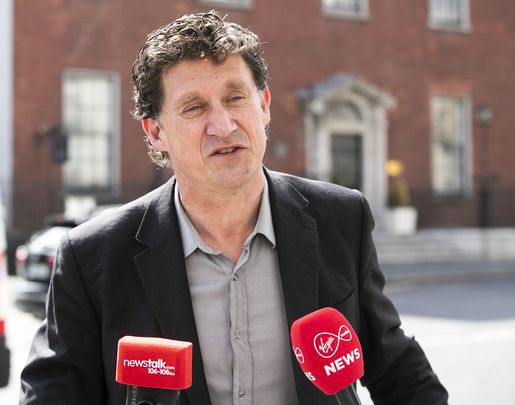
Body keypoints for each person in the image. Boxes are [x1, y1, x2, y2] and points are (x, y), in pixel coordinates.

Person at [20, 11, 448, 405]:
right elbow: (53, 394)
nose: (223, 125)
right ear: (155, 133)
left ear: (262, 107)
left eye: (236, 98)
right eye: (195, 107)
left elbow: (399, 372)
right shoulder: (93, 256)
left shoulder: (341, 219)